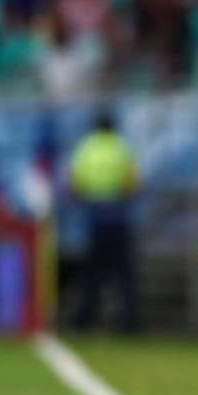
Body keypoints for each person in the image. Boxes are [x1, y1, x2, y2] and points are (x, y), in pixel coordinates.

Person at [70, 113, 141, 332]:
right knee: (124, 275)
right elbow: (131, 183)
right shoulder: (121, 147)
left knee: (92, 274)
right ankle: (129, 322)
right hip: (117, 215)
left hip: (94, 217)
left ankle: (85, 319)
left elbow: (76, 184)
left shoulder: (86, 147)